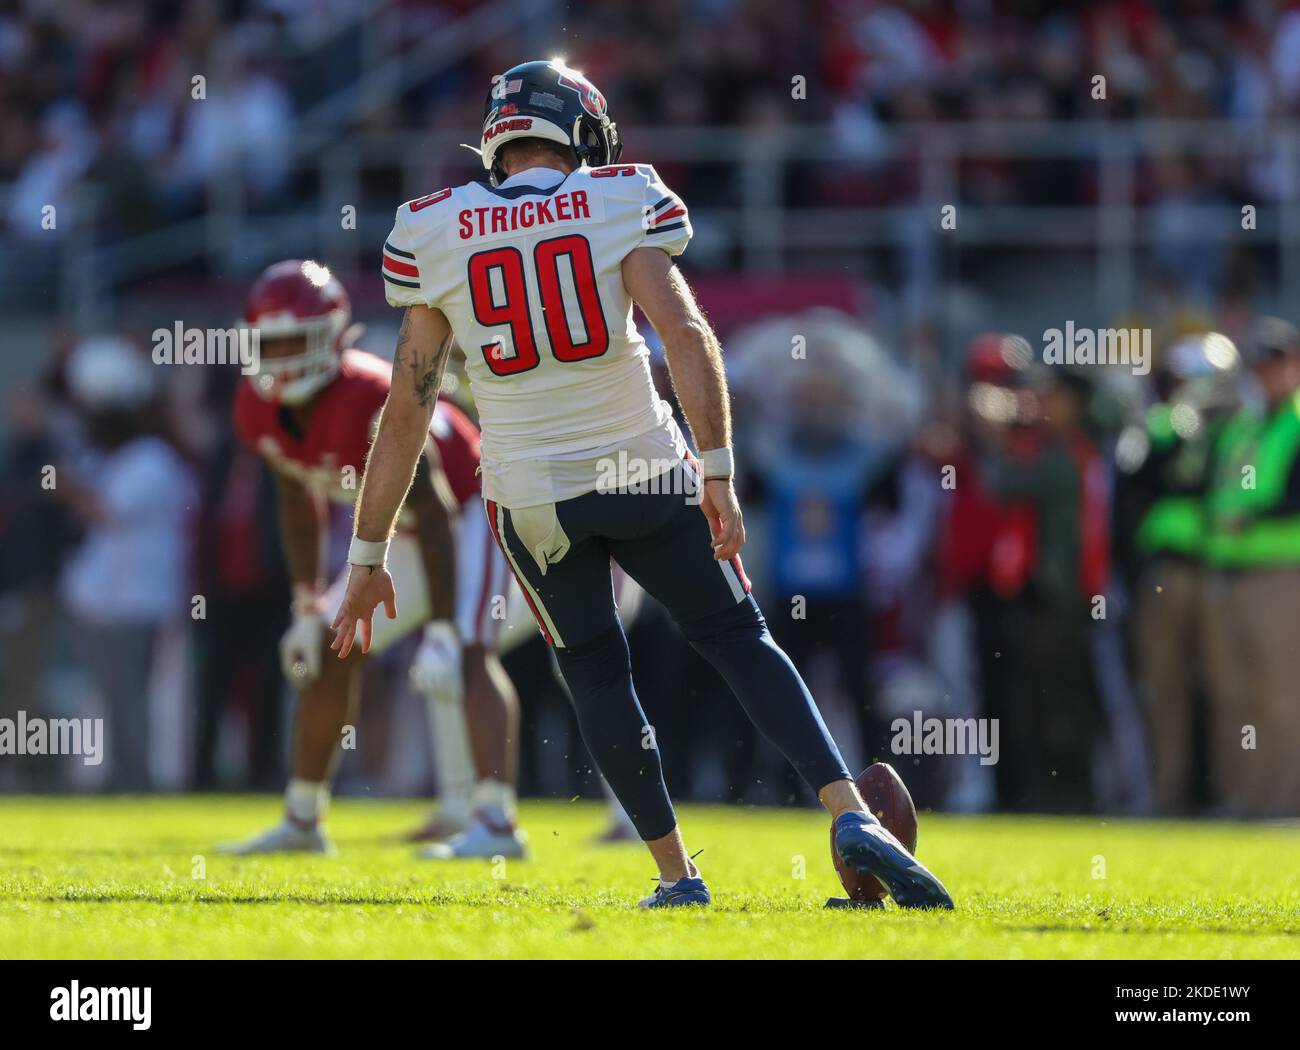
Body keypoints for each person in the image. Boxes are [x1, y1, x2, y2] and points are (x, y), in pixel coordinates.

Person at [330, 60, 952, 909]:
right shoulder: (620, 199)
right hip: (647, 471)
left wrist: (367, 556)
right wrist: (722, 470)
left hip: (534, 495)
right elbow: (687, 334)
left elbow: (407, 408)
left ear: (497, 141)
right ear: (580, 132)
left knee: (594, 671)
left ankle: (675, 876)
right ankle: (847, 813)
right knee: (737, 636)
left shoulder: (436, 229)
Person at [218, 260, 526, 859]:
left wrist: (437, 626)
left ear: (331, 338)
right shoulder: (255, 408)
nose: (279, 359)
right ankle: (303, 821)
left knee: (466, 649)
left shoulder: (374, 398)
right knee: (332, 647)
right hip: (403, 535)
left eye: (292, 342)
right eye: (268, 344)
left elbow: (436, 511)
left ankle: (497, 825)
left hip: (476, 514)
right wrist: (307, 603)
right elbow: (296, 498)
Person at [1202, 318, 1300, 818]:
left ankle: (1284, 801)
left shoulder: (1295, 424)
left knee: (1282, 693)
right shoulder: (1245, 425)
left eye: (1276, 365)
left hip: (1281, 572)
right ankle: (1242, 799)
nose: (1267, 376)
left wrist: (1251, 517)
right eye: (1260, 366)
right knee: (1236, 695)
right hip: (1232, 572)